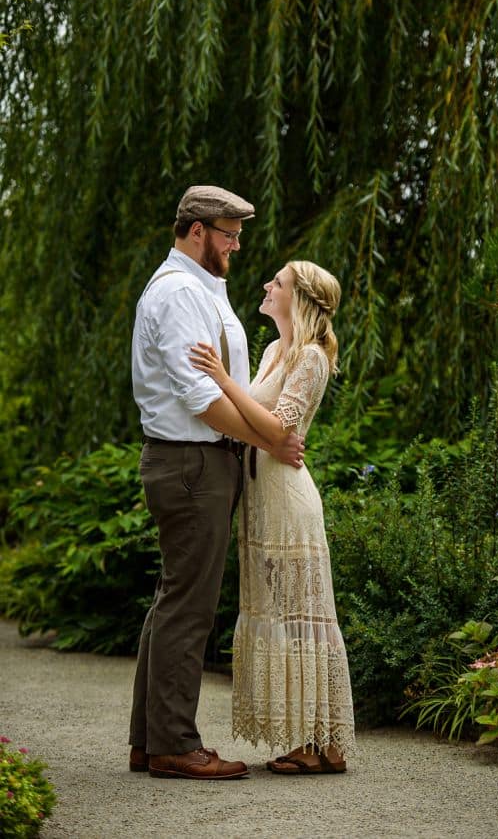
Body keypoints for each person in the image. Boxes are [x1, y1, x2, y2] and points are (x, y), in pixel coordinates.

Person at [128, 186, 304, 781]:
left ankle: (148, 740)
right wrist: (270, 440)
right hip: (192, 464)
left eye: (237, 234)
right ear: (197, 231)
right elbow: (203, 399)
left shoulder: (203, 289)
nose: (235, 245)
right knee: (189, 607)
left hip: (197, 464)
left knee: (173, 598)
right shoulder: (179, 293)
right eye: (227, 234)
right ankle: (175, 745)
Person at [189, 260, 355, 774]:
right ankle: (318, 742)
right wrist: (238, 406)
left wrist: (220, 378)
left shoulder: (310, 357)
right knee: (281, 611)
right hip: (260, 496)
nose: (267, 286)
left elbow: (280, 427)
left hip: (288, 498)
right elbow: (253, 424)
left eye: (277, 282)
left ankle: (317, 743)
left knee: (297, 613)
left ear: (300, 298)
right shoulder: (270, 352)